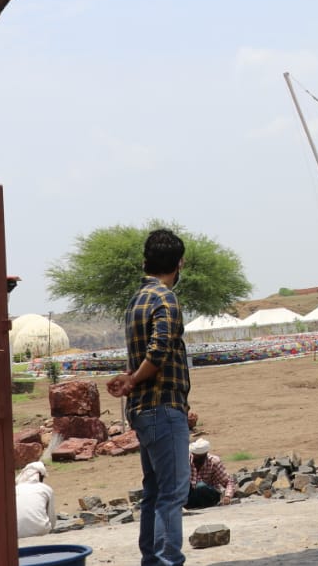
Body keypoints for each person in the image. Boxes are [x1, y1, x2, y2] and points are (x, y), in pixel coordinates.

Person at [107, 229, 191, 566]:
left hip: (143, 410)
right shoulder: (165, 299)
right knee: (172, 494)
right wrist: (131, 379)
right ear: (179, 263)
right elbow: (157, 353)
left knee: (154, 493)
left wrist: (130, 378)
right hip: (163, 406)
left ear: (146, 261)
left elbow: (145, 353)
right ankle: (168, 560)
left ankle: (152, 561)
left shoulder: (136, 300)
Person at [187, 438, 236, 509]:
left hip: (208, 495)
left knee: (201, 487)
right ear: (192, 454)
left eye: (200, 458)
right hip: (192, 495)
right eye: (195, 458)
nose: (197, 462)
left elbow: (228, 481)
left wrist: (227, 496)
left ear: (205, 455)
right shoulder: (186, 461)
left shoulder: (214, 461)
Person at [14, 460, 56, 539]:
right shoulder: (46, 489)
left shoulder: (15, 489)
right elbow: (52, 517)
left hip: (17, 533)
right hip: (41, 530)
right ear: (40, 476)